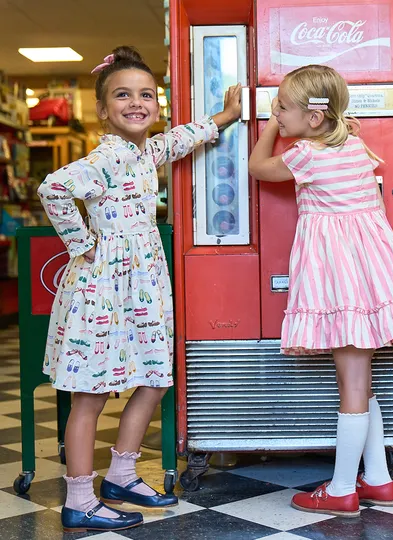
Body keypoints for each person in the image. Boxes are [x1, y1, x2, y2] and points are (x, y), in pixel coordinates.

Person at [37, 46, 241, 533]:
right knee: (90, 395)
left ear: (158, 103)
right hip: (101, 288)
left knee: (155, 377)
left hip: (142, 286)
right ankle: (80, 500)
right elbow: (53, 188)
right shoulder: (104, 157)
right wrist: (81, 243)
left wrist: (227, 116)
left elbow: (180, 140)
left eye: (146, 94)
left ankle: (122, 476)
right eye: (122, 95)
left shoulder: (146, 150)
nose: (136, 102)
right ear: (104, 110)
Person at [248, 65, 393, 518]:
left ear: (313, 119)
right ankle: (377, 479)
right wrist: (319, 123)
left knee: (351, 385)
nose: (277, 113)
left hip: (340, 280)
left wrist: (270, 129)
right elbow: (339, 131)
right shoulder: (354, 145)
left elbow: (258, 168)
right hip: (370, 275)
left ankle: (340, 489)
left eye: (283, 107)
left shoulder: (305, 155)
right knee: (360, 381)